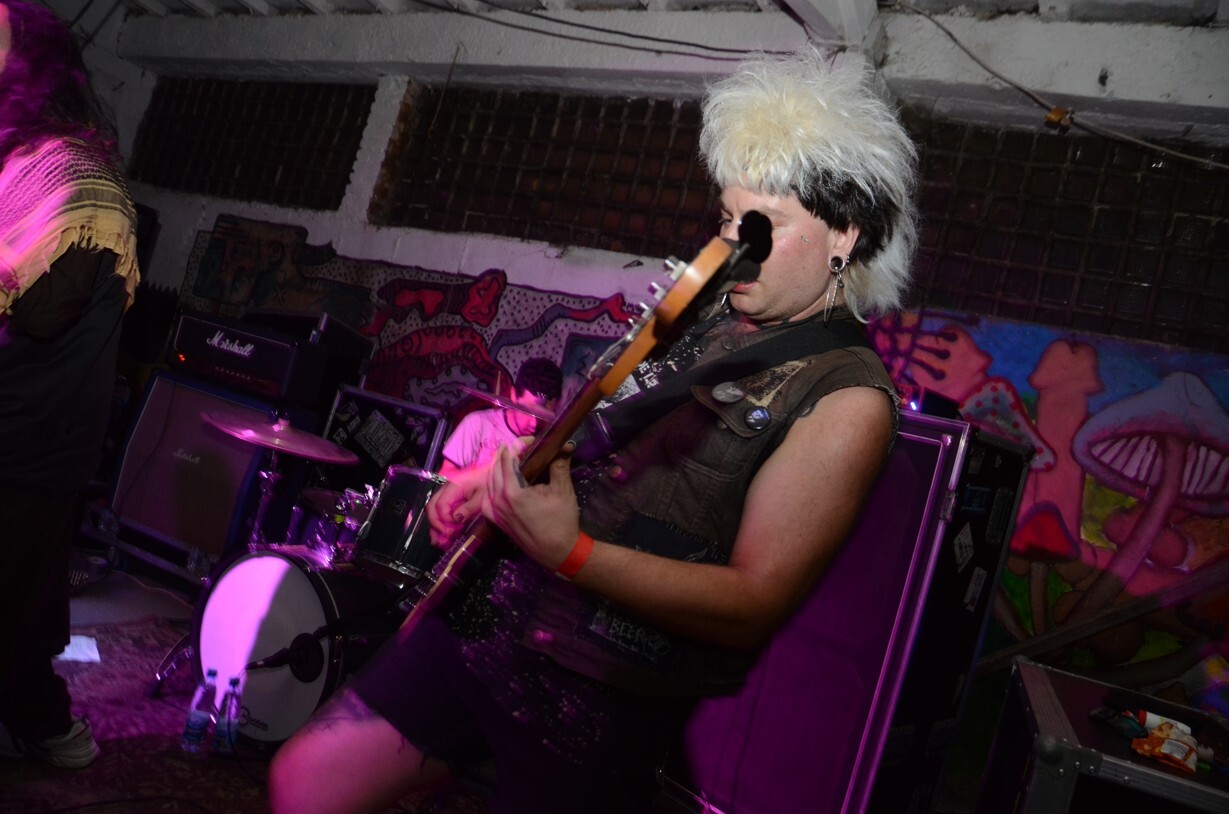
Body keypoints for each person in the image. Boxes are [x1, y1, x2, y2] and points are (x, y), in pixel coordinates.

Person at [269, 48, 917, 813]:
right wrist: (500, 480)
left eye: (761, 226)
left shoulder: (846, 398)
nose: (731, 247)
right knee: (303, 781)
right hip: (494, 611)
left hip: (599, 691)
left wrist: (570, 552)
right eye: (726, 219)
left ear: (843, 235)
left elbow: (752, 603)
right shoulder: (705, 318)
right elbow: (599, 439)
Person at [0, 0, 139, 770]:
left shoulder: (71, 173)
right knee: (25, 595)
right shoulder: (23, 166)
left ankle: (45, 723)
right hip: (25, 433)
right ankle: (46, 725)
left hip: (29, 440)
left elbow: (44, 310)